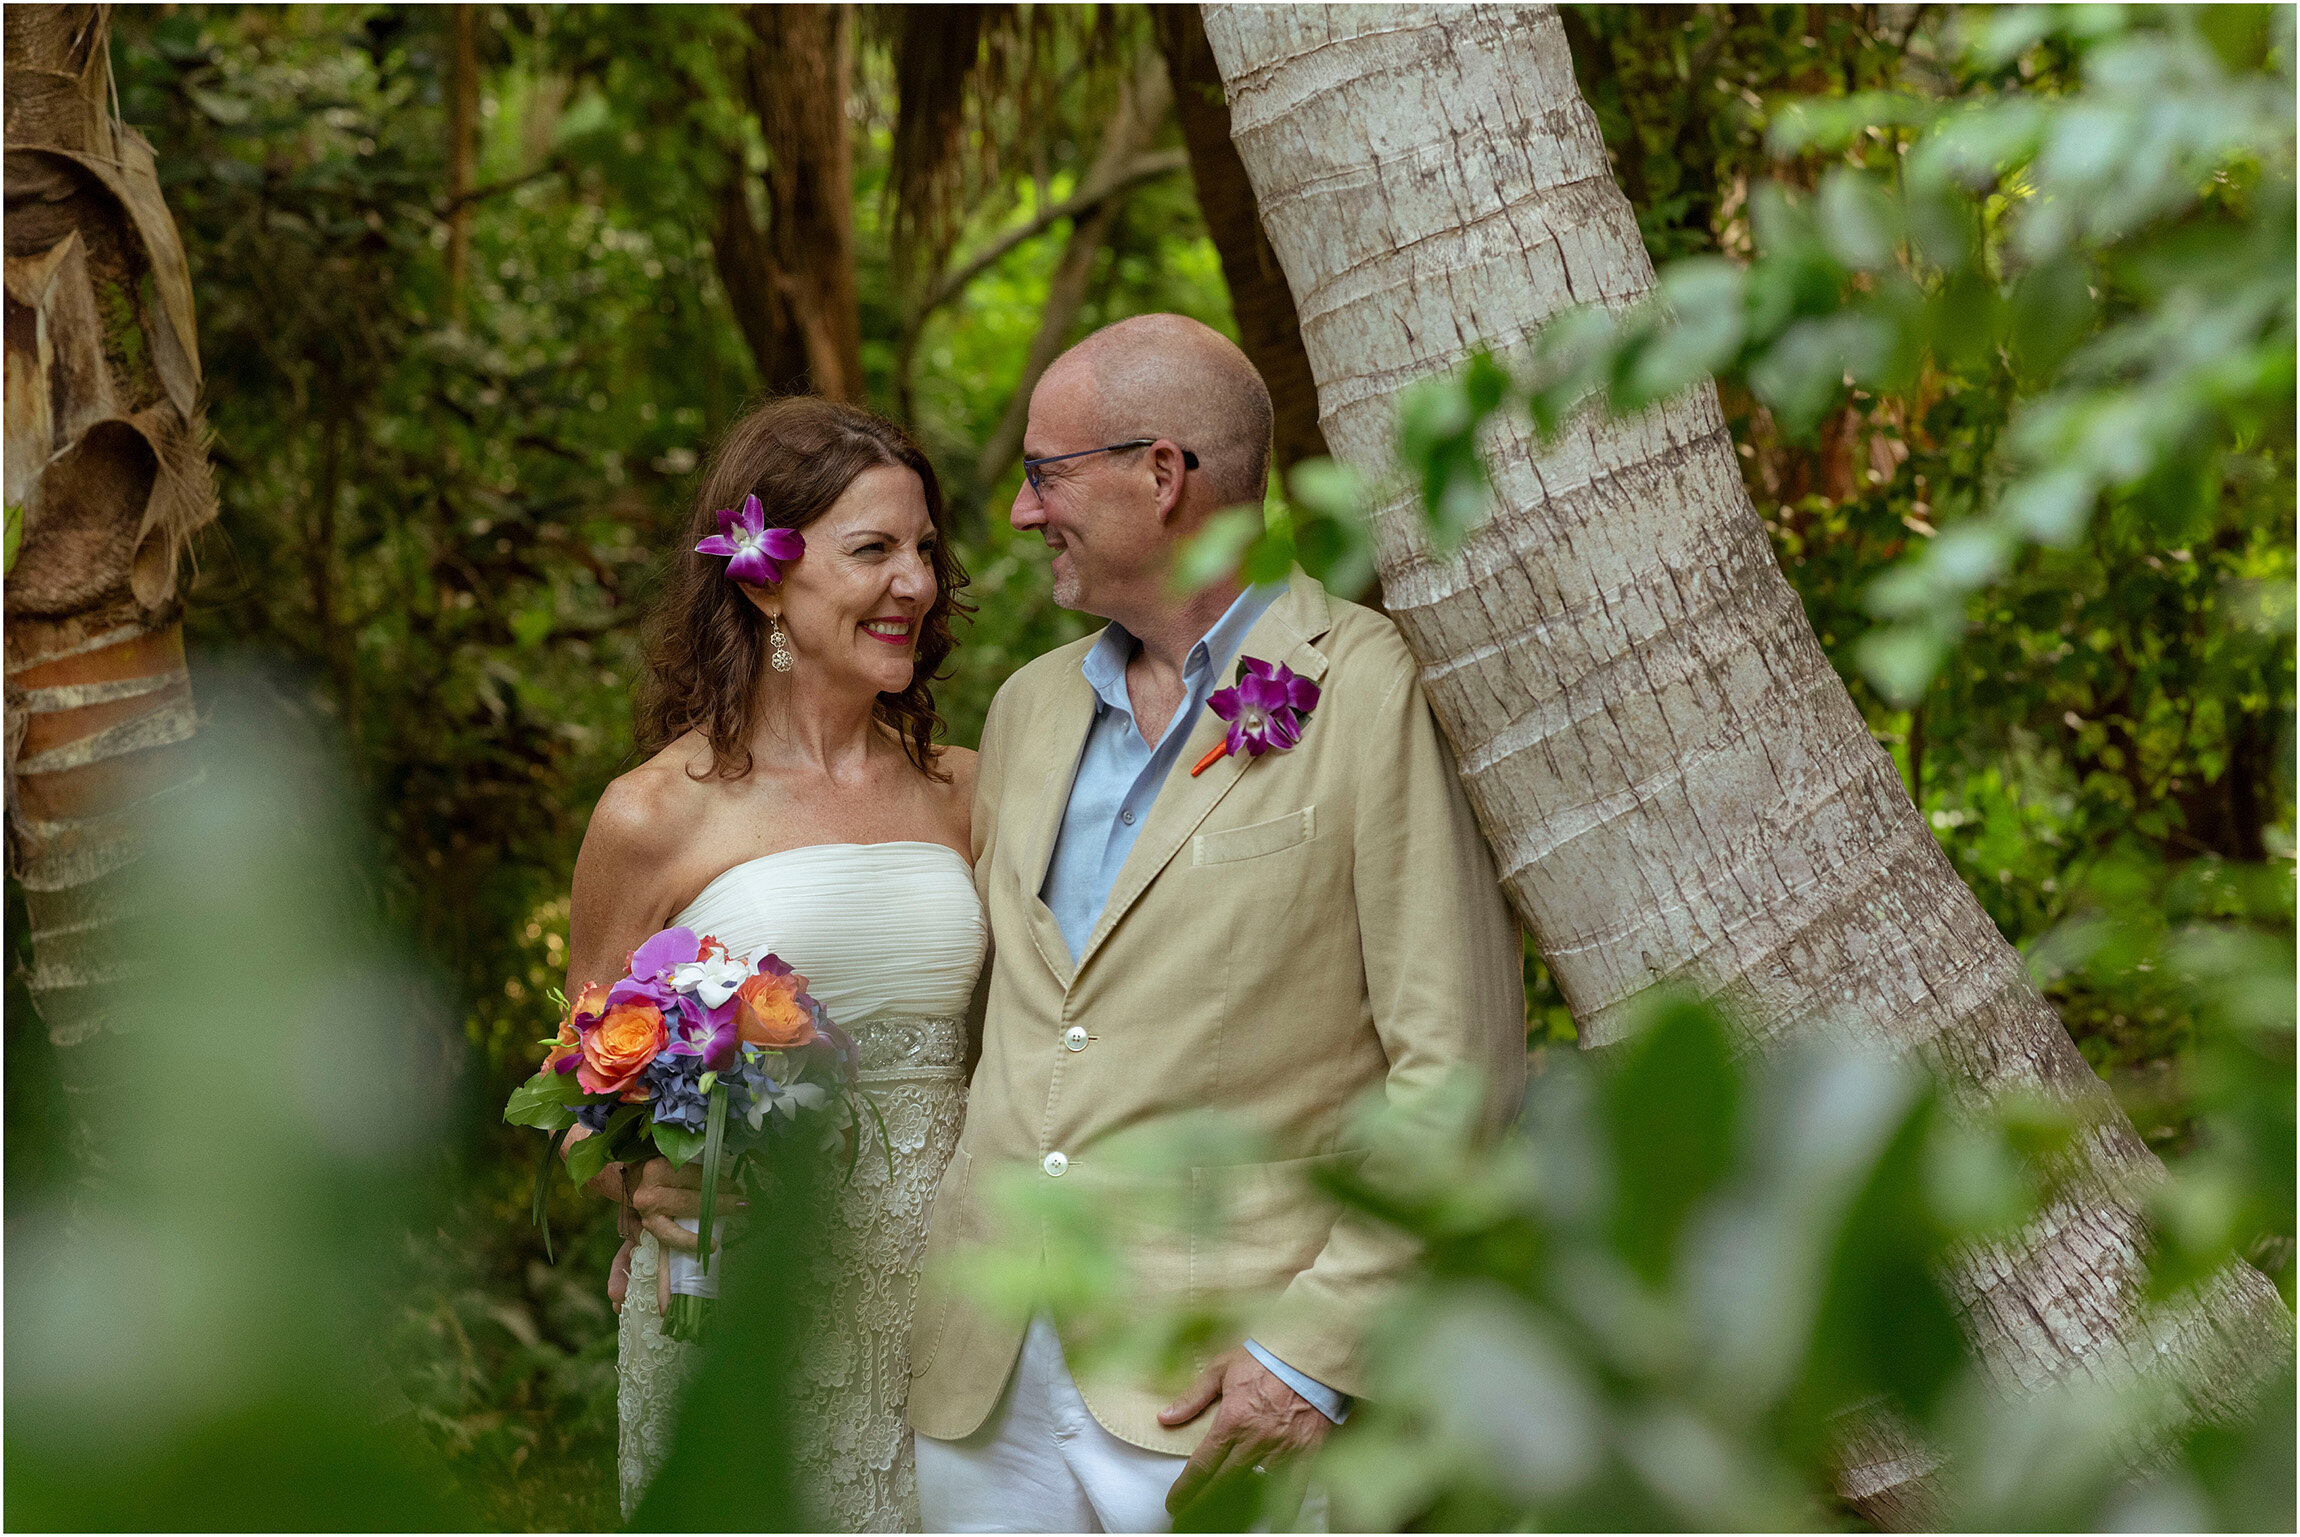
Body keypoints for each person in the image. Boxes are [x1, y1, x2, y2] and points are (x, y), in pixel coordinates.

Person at [907, 314, 1527, 1532]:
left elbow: (1458, 1065)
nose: (1024, 513)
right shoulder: (1029, 707)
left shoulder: (1368, 685)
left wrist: (1310, 1354)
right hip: (986, 1385)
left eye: (1047, 474)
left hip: (1222, 1397)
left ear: (1161, 471)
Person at [564, 397, 986, 1529]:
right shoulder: (652, 815)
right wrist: (640, 1180)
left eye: (924, 551)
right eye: (872, 551)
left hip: (952, 1309)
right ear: (761, 579)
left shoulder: (969, 792)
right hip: (740, 1296)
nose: (915, 584)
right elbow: (581, 1102)